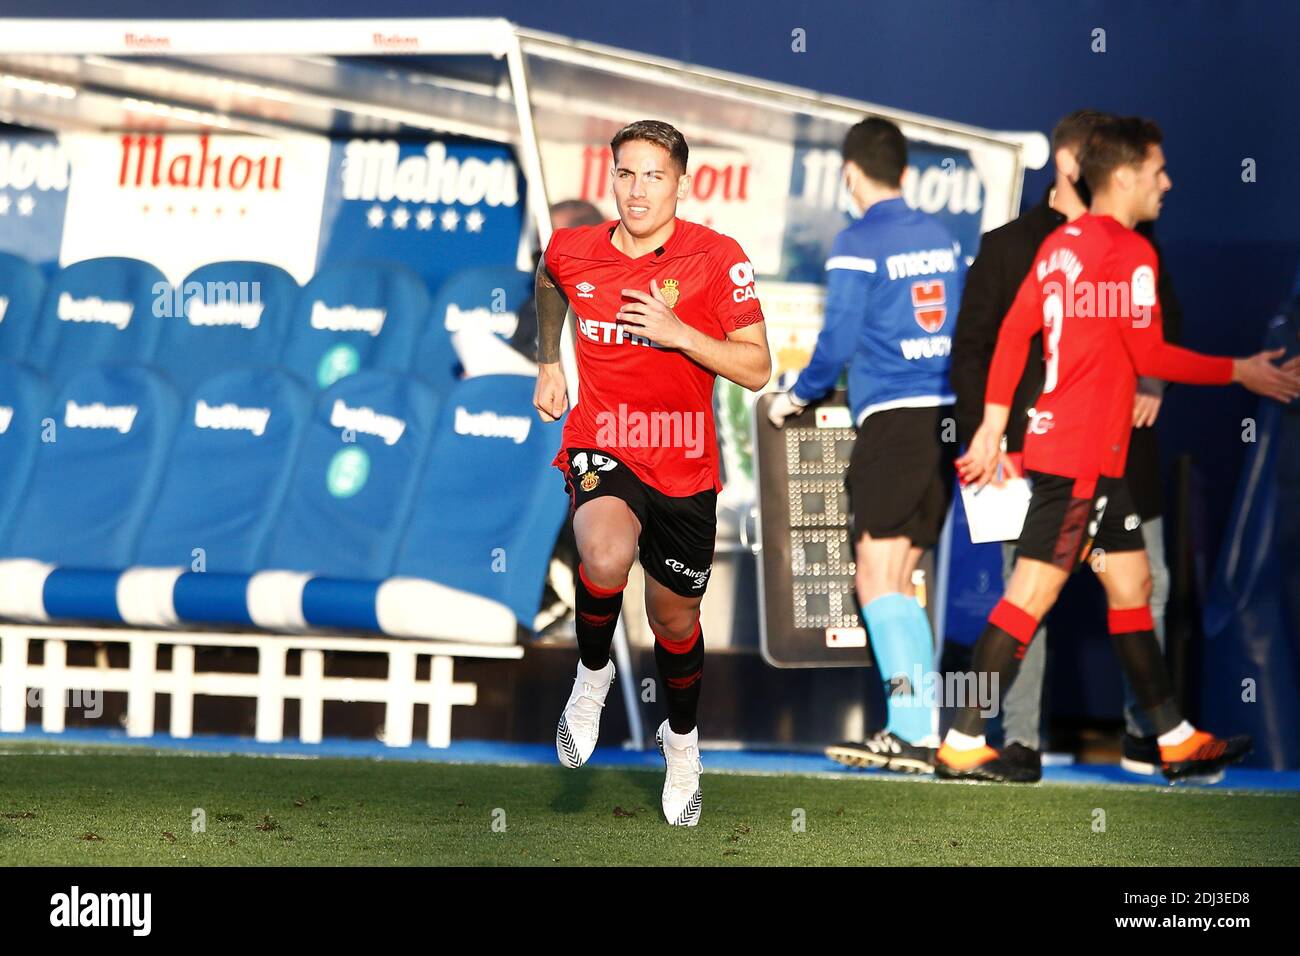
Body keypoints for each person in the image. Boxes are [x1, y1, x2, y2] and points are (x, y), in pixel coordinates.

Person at [940, 115, 1300, 782]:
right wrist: (1241, 370)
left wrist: (994, 422)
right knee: (1028, 599)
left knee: (1132, 583)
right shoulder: (1131, 254)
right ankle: (960, 738)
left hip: (1087, 459)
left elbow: (1016, 333)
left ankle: (1173, 737)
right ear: (1127, 175)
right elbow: (1151, 354)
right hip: (1078, 462)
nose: (1168, 182)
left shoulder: (1061, 246)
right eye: (1159, 170)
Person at [533, 119, 771, 826]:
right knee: (603, 553)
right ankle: (592, 677)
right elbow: (551, 277)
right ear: (612, 177)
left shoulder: (715, 257)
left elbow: (758, 368)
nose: (638, 191)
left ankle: (683, 743)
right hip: (603, 440)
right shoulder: (576, 249)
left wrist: (681, 335)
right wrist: (551, 359)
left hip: (684, 460)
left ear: (681, 183)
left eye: (655, 176)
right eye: (627, 174)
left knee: (674, 621)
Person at [951, 109, 1188, 779]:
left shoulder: (1137, 242)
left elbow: (1161, 334)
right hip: (1027, 459)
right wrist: (988, 433)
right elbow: (974, 348)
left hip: (1118, 454)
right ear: (1072, 165)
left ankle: (1151, 737)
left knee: (1148, 583)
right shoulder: (1006, 247)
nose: (1143, 181)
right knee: (1027, 597)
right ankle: (1015, 741)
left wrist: (1156, 385)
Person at [767, 117, 965, 773]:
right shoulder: (942, 239)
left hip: (894, 422)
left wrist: (796, 396)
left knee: (874, 573)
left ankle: (910, 728)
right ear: (906, 174)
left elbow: (837, 342)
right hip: (945, 424)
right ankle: (919, 730)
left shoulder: (857, 241)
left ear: (849, 173)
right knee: (902, 576)